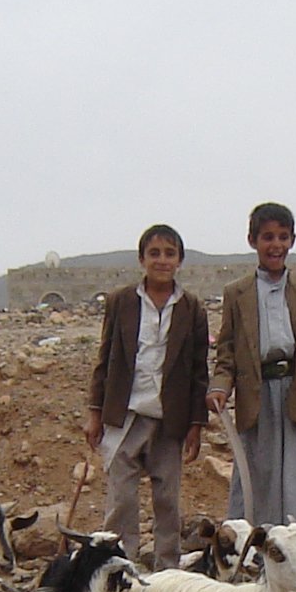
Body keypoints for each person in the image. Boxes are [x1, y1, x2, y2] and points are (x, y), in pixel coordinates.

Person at [85, 223, 211, 567]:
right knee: (121, 500)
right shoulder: (121, 302)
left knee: (167, 500)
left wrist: (196, 425)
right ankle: (116, 567)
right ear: (142, 259)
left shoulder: (192, 309)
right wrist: (95, 413)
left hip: (169, 420)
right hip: (125, 416)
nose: (162, 260)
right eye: (154, 253)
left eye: (169, 254)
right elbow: (105, 358)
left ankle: (166, 573)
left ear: (180, 261)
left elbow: (199, 371)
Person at [208, 201, 296, 526]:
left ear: (292, 240)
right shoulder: (237, 293)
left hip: (295, 394)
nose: (275, 245)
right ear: (253, 241)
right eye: (267, 237)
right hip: (256, 394)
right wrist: (220, 387)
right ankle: (246, 547)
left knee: (294, 473)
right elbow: (228, 352)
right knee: (253, 472)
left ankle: (291, 546)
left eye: (282, 237)